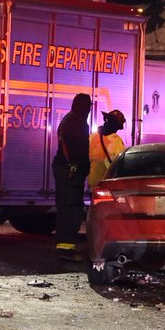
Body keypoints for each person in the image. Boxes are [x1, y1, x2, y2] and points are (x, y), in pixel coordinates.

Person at [52, 93, 92, 261]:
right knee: (73, 209)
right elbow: (80, 150)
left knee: (64, 208)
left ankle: (63, 246)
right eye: (88, 106)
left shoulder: (68, 119)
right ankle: (67, 248)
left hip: (64, 168)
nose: (89, 109)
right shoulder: (78, 122)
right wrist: (85, 167)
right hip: (71, 171)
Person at [88, 109, 127, 188]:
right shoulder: (116, 140)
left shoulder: (92, 136)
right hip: (106, 183)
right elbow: (121, 162)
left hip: (92, 182)